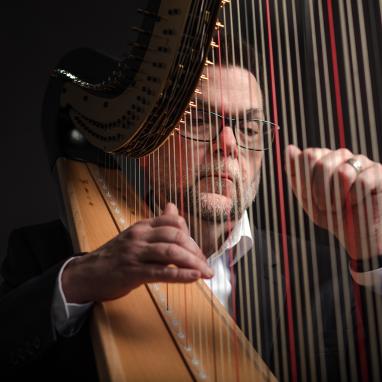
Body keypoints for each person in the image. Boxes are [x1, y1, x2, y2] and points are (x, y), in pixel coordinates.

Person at [1, 63, 381, 381]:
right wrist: (81, 279)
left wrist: (372, 253)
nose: (229, 143)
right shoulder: (47, 253)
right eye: (200, 120)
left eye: (249, 128)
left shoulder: (326, 273)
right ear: (150, 144)